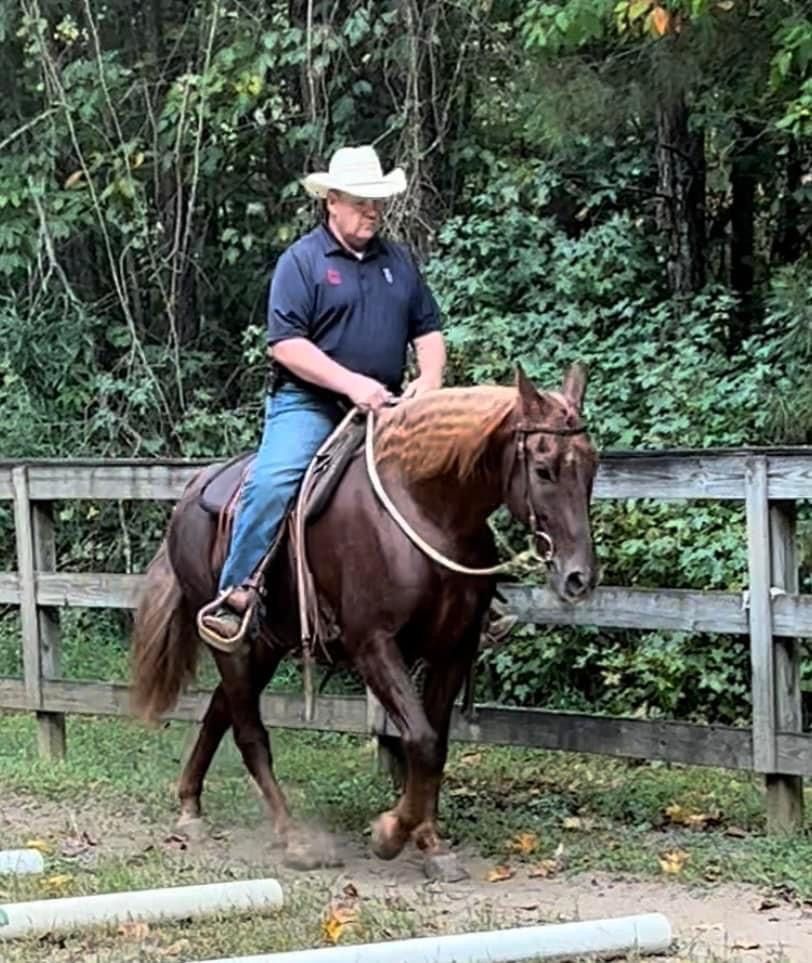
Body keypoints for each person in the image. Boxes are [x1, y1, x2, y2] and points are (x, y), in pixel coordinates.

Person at [199, 144, 447, 644]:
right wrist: (353, 384)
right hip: (310, 405)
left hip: (389, 405)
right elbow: (286, 346)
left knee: (452, 469)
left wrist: (431, 379)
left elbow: (429, 330)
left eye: (376, 200)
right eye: (359, 200)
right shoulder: (303, 262)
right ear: (331, 201)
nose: (370, 210)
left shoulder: (398, 261)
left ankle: (468, 596)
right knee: (273, 481)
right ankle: (237, 590)